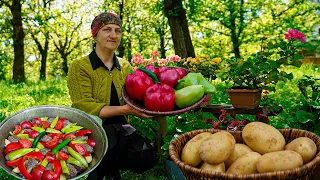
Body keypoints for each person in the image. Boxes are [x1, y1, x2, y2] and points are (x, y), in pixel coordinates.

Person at [67, 12, 159, 180]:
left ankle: (108, 164)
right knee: (109, 136)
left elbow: (135, 96)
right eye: (107, 29)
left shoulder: (124, 66)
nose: (113, 35)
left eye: (118, 30)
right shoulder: (80, 66)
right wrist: (126, 109)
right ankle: (105, 168)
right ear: (95, 35)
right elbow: (84, 105)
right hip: (91, 128)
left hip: (122, 129)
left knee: (148, 157)